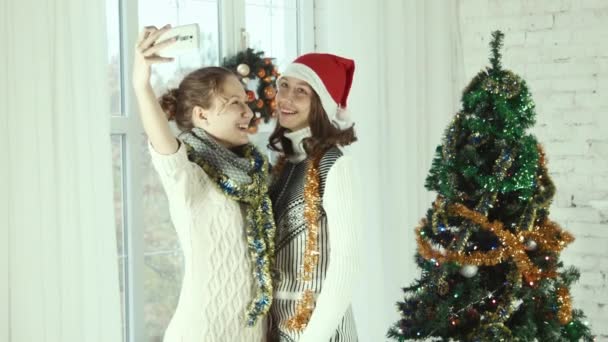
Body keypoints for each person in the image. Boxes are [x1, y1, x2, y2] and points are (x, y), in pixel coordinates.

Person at [132, 24, 275, 342]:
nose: (249, 112)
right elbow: (162, 145)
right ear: (201, 115)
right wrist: (141, 83)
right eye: (234, 102)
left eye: (246, 101)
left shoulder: (256, 175)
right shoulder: (189, 175)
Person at [267, 53, 362, 341]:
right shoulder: (283, 165)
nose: (286, 98)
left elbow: (348, 261)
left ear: (319, 104)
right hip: (278, 328)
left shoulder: (334, 164)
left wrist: (314, 337)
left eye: (301, 91)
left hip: (321, 329)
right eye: (284, 85)